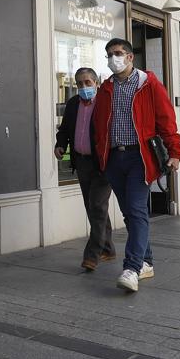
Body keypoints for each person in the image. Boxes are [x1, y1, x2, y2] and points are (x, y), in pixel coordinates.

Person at [92, 38, 180, 292]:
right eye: (110, 54)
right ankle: (146, 261)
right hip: (113, 159)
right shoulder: (106, 88)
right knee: (131, 213)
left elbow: (167, 121)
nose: (114, 59)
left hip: (139, 159)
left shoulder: (148, 84)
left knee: (135, 211)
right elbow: (99, 126)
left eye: (119, 53)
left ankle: (132, 268)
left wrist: (175, 152)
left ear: (131, 57)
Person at [54, 67, 115, 271]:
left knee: (97, 205)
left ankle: (92, 255)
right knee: (94, 207)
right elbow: (64, 129)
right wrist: (60, 144)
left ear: (96, 83)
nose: (83, 87)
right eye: (79, 83)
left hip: (102, 164)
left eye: (88, 82)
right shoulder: (72, 104)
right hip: (81, 162)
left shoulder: (105, 104)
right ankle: (108, 248)